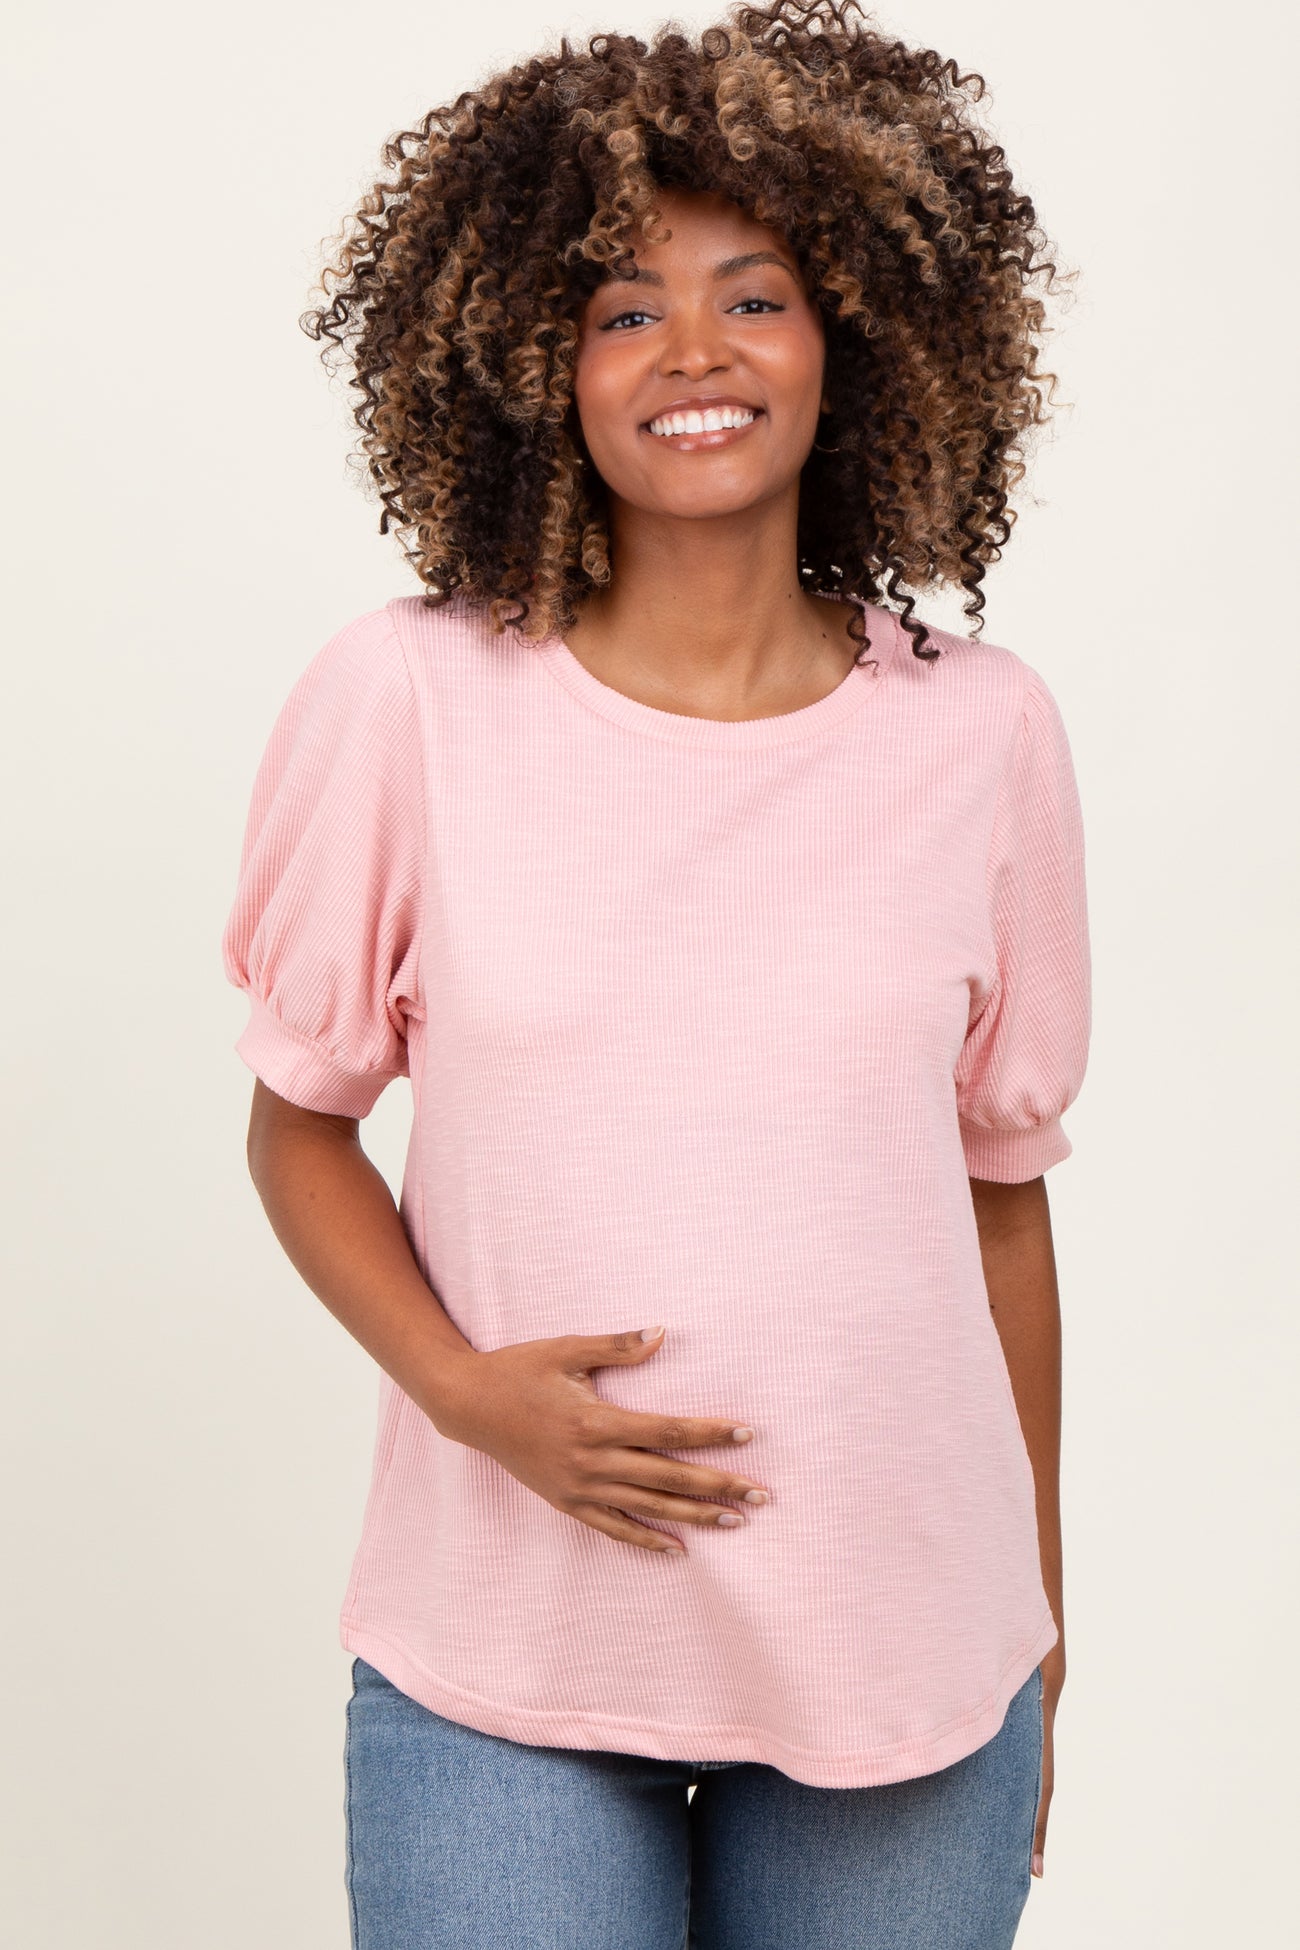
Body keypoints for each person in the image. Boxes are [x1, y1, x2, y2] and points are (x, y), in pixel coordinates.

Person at [220, 2, 1091, 1943]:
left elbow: (1001, 1209)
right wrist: (465, 1395)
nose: (693, 350)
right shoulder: (408, 701)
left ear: (853, 338)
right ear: (539, 368)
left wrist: (1040, 1617)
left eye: (751, 295)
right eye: (625, 309)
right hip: (502, 1655)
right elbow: (296, 1131)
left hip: (902, 1649)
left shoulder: (984, 735)